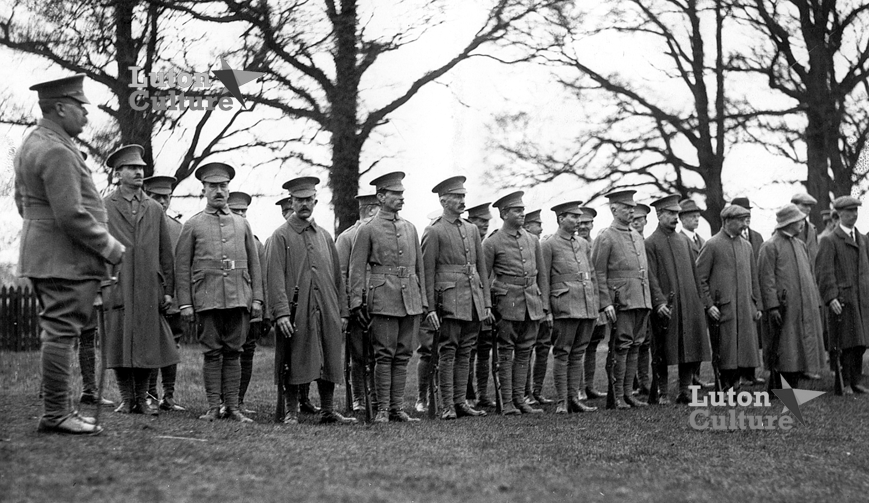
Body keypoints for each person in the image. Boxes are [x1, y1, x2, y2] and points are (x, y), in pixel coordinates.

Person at [16, 74, 125, 435]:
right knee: (62, 333)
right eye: (81, 108)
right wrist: (109, 247)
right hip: (64, 258)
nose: (86, 116)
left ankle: (57, 412)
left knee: (58, 332)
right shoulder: (58, 150)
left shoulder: (34, 141)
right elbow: (70, 214)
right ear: (61, 107)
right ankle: (58, 414)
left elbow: (23, 204)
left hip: (48, 254)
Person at [175, 162, 264, 423]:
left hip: (238, 296)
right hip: (207, 296)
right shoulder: (193, 225)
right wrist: (185, 304)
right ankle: (214, 406)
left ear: (228, 189)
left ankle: (233, 407)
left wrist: (257, 298)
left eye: (223, 186)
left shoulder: (241, 224)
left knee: (234, 351)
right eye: (213, 186)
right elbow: (182, 267)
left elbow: (254, 263)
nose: (218, 191)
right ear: (204, 189)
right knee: (212, 352)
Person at [266, 177, 356, 424]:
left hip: (326, 307)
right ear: (291, 202)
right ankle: (291, 412)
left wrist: (343, 311)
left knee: (328, 353)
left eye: (308, 199)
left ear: (315, 200)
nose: (304, 204)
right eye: (298, 200)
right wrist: (281, 313)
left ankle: (327, 410)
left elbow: (338, 277)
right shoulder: (280, 236)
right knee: (294, 357)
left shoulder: (325, 237)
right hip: (297, 309)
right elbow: (274, 277)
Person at [102, 145, 179, 416]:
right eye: (132, 168)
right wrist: (101, 285)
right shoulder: (105, 206)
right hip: (118, 284)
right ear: (118, 173)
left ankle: (143, 399)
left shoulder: (155, 208)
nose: (138, 172)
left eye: (141, 168)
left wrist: (168, 289)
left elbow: (165, 253)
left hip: (149, 286)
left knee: (147, 344)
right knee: (119, 343)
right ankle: (127, 399)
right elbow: (97, 248)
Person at [349, 171, 427, 423]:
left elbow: (419, 269)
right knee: (384, 354)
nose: (401, 198)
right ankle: (382, 408)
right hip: (382, 297)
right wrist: (356, 302)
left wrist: (423, 300)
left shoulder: (410, 228)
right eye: (396, 194)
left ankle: (396, 407)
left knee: (403, 354)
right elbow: (356, 268)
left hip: (410, 298)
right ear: (381, 197)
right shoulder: (368, 228)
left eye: (402, 194)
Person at [421, 176, 491, 419]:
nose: (463, 201)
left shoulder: (471, 229)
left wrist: (486, 303)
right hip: (448, 300)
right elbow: (427, 272)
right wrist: (429, 308)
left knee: (466, 351)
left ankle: (461, 402)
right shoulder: (434, 230)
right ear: (443, 200)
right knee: (448, 351)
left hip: (472, 299)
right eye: (457, 197)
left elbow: (482, 269)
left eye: (463, 196)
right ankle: (447, 404)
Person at [483, 191, 551, 415]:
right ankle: (507, 403)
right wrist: (487, 305)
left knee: (524, 351)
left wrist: (544, 305)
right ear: (503, 214)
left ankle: (520, 399)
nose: (522, 214)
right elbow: (484, 277)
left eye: (522, 210)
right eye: (517, 210)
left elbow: (541, 275)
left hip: (531, 301)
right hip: (507, 302)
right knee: (506, 351)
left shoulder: (532, 240)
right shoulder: (492, 242)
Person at [644, 195, 711, 404]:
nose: (675, 217)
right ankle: (662, 393)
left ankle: (685, 390)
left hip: (689, 304)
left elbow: (695, 273)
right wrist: (659, 302)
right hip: (667, 306)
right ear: (659, 215)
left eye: (676, 214)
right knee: (663, 349)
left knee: (689, 348)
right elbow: (651, 275)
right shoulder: (651, 243)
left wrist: (699, 302)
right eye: (671, 214)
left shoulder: (683, 241)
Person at [592, 189, 652, 409]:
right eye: (626, 207)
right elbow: (598, 272)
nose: (631, 211)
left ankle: (628, 394)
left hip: (640, 298)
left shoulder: (636, 236)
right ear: (613, 209)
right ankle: (617, 394)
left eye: (632, 207)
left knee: (636, 345)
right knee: (622, 346)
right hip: (621, 301)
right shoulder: (605, 237)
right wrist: (605, 302)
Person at [757, 204, 825, 389]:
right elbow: (766, 279)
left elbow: (810, 275)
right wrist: (772, 307)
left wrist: (814, 300)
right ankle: (779, 385)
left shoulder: (800, 244)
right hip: (783, 308)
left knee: (798, 346)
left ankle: (792, 381)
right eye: (799, 220)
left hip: (802, 306)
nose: (802, 223)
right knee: (783, 346)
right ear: (789, 223)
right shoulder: (770, 246)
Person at [695, 204, 762, 390]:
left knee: (743, 348)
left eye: (745, 220)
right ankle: (725, 383)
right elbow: (700, 279)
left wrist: (757, 306)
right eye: (739, 220)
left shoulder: (747, 246)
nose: (744, 225)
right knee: (725, 350)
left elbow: (753, 279)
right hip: (723, 309)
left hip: (745, 308)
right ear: (726, 221)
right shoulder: (712, 245)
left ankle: (737, 382)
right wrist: (709, 305)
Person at [542, 201, 598, 413]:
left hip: (585, 305)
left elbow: (591, 275)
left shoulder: (583, 244)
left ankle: (574, 398)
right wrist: (546, 310)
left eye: (578, 217)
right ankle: (561, 401)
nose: (577, 221)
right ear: (560, 218)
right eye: (573, 217)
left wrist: (596, 306)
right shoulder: (549, 245)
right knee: (562, 352)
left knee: (577, 353)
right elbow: (544, 279)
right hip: (563, 305)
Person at [816, 196, 869, 394]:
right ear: (839, 214)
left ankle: (855, 380)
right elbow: (824, 271)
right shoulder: (830, 240)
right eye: (849, 211)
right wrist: (831, 298)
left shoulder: (862, 238)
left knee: (860, 343)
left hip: (861, 299)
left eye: (856, 211)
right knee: (844, 343)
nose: (854, 215)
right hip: (843, 299)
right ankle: (843, 382)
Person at [143, 174, 187, 411]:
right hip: (147, 296)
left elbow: (181, 265)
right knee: (149, 345)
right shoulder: (138, 225)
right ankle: (149, 394)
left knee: (173, 345)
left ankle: (168, 397)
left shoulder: (178, 228)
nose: (161, 201)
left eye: (166, 197)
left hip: (173, 298)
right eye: (155, 196)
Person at [335, 193, 380, 413]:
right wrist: (347, 307)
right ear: (371, 210)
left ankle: (377, 396)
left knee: (379, 353)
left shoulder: (382, 235)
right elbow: (341, 275)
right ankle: (359, 397)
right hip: (357, 305)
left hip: (380, 302)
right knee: (359, 355)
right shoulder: (347, 238)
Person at [227, 191, 270, 415]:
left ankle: (239, 400)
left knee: (247, 353)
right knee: (226, 353)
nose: (242, 215)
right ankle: (224, 401)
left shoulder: (256, 243)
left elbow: (262, 279)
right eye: (236, 211)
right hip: (229, 306)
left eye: (244, 211)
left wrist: (263, 309)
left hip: (252, 309)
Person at [731, 197, 767, 386]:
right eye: (743, 212)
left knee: (753, 337)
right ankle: (738, 374)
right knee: (738, 336)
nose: (747, 216)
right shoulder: (728, 238)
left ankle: (751, 373)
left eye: (748, 212)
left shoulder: (757, 237)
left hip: (752, 293)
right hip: (736, 296)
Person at [465, 202, 496, 408]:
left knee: (484, 350)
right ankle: (467, 395)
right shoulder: (470, 243)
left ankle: (482, 394)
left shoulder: (488, 243)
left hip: (487, 306)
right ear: (472, 221)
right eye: (481, 221)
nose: (485, 225)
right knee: (467, 351)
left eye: (487, 221)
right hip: (470, 304)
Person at [522, 209, 554, 405]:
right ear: (527, 226)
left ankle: (536, 390)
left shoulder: (539, 246)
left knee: (543, 348)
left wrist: (547, 308)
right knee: (526, 348)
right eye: (538, 224)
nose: (541, 229)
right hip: (526, 303)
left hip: (541, 304)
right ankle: (525, 392)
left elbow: (545, 278)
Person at [577, 206, 607, 400]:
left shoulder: (597, 243)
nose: (584, 227)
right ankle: (578, 388)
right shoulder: (575, 245)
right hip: (579, 302)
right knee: (578, 346)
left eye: (588, 223)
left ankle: (589, 385)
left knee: (593, 346)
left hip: (596, 302)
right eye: (581, 223)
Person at [630, 203, 652, 396]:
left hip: (648, 297)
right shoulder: (628, 242)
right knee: (628, 341)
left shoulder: (647, 242)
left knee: (645, 342)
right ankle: (629, 382)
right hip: (630, 298)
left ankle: (644, 381)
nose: (637, 222)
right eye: (634, 219)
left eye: (641, 219)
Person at [791, 192, 819, 266]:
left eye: (810, 206)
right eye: (805, 205)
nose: (809, 209)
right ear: (794, 206)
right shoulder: (787, 228)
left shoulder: (813, 229)